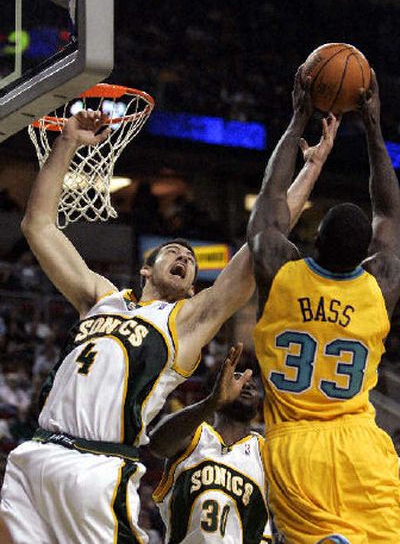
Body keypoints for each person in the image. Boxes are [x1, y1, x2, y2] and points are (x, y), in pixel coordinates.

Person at [0, 107, 332, 543]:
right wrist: (66, 142)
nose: (184, 257)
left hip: (96, 468)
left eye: (191, 260)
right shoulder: (99, 297)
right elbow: (38, 224)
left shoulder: (186, 322)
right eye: (174, 251)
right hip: (33, 458)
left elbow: (260, 245)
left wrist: (311, 168)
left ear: (194, 289)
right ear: (145, 269)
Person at [247, 67, 400, 543]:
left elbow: (271, 199)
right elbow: (391, 212)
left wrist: (298, 120)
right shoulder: (381, 285)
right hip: (361, 446)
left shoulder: (282, 271)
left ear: (311, 240)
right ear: (367, 256)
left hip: (294, 447)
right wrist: (374, 127)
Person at [149, 343, 272, 544]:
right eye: (237, 380)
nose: (247, 385)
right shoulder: (195, 437)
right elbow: (158, 445)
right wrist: (211, 403)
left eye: (252, 384)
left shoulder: (266, 452)